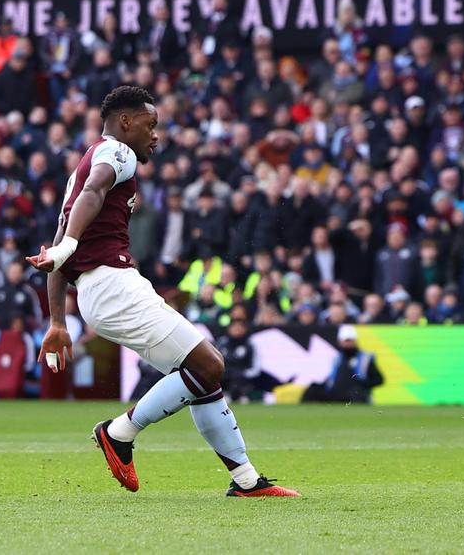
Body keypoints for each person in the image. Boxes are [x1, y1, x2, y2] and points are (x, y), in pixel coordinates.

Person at [27, 86, 298, 498]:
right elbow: (92, 195)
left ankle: (245, 480)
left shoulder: (86, 162)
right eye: (150, 125)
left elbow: (59, 243)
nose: (156, 135)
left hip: (99, 292)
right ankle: (118, 432)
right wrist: (66, 250)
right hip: (112, 286)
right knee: (209, 364)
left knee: (202, 376)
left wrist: (57, 320)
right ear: (125, 122)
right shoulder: (118, 153)